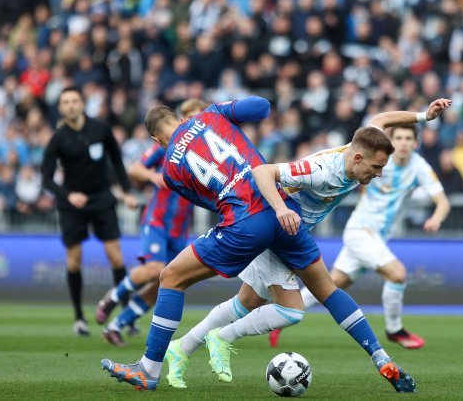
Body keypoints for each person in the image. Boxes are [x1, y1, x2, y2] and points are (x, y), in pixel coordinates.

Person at [100, 96, 416, 393]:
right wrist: (225, 112)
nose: (377, 173)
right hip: (284, 215)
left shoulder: (169, 169)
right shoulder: (212, 114)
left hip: (246, 221)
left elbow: (207, 201)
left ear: (157, 142)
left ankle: (150, 368)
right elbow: (262, 106)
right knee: (323, 291)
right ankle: (379, 357)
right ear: (182, 117)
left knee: (171, 277)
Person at [289, 120, 451, 349]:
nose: (403, 143)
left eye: (408, 139)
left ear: (416, 143)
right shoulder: (378, 162)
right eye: (399, 138)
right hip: (361, 231)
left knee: (329, 286)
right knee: (397, 274)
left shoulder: (420, 167)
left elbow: (443, 202)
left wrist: (436, 218)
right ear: (391, 142)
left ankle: (282, 314)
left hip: (379, 237)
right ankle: (395, 329)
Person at [96, 99, 207, 346]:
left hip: (180, 229)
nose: (193, 121)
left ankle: (116, 325)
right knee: (156, 269)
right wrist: (152, 175)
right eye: (189, 116)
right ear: (181, 119)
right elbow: (134, 169)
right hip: (157, 219)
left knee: (167, 281)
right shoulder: (167, 146)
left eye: (198, 116)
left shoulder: (206, 150)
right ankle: (112, 297)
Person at [41, 87, 137, 337]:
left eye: (74, 101)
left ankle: (127, 316)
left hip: (102, 199)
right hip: (73, 205)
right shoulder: (58, 138)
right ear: (61, 108)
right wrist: (68, 195)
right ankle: (79, 318)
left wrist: (126, 191)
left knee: (116, 257)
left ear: (82, 104)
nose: (71, 105)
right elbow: (46, 180)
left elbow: (117, 161)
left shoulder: (101, 129)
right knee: (74, 260)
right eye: (65, 102)